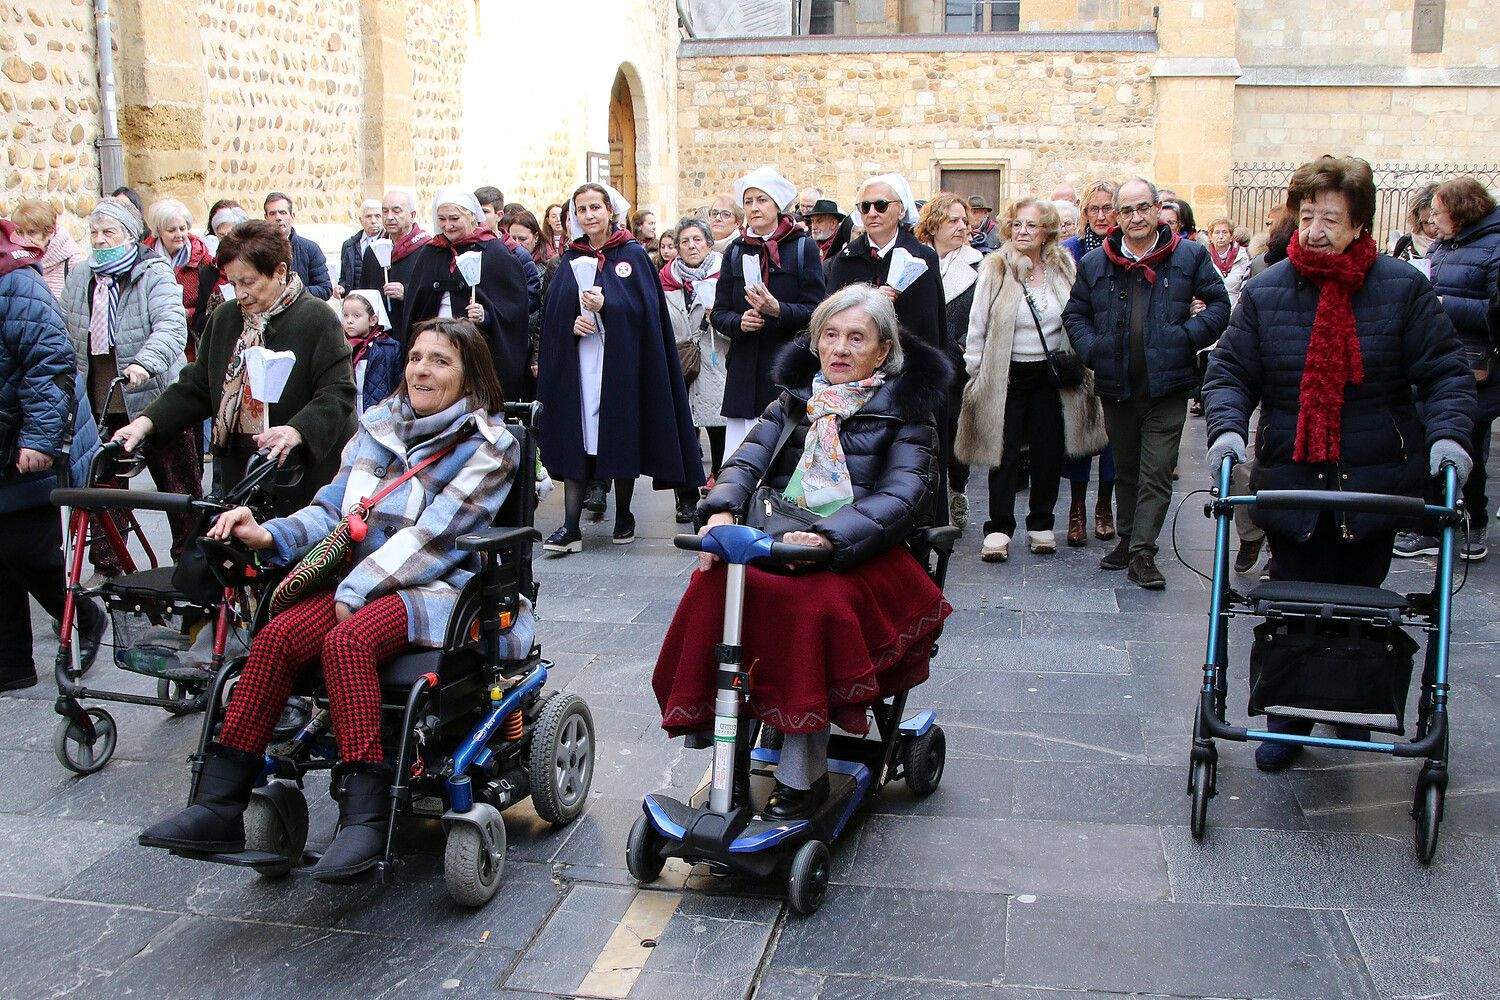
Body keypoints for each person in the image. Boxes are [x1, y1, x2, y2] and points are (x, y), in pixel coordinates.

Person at [139, 318, 530, 880]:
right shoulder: (377, 427)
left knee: (346, 644)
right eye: (416, 357)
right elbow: (332, 512)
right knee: (275, 638)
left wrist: (356, 587)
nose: (421, 369)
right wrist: (268, 534)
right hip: (357, 579)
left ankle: (364, 821)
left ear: (471, 378)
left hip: (435, 588)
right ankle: (219, 803)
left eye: (441, 361)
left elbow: (436, 539)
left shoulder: (491, 448)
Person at [1203, 154, 1475, 771]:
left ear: (1359, 225)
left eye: (1331, 217)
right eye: (1308, 216)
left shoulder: (1402, 288)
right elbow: (1232, 371)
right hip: (1291, 480)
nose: (1317, 229)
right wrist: (1226, 428)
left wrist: (1449, 437)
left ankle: (1348, 701)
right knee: (1293, 601)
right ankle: (1288, 717)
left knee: (1357, 600)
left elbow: (1445, 373)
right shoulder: (1269, 288)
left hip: (1374, 483)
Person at [652, 285, 953, 819]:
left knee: (808, 607)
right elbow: (745, 463)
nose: (839, 348)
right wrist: (720, 511)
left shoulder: (909, 409)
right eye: (830, 335)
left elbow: (904, 495)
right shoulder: (794, 399)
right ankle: (726, 755)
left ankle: (802, 777)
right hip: (778, 538)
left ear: (883, 350)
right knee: (714, 585)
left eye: (856, 337)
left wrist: (830, 538)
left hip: (860, 551)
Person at [113, 220, 356, 515]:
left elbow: (337, 393)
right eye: (233, 283)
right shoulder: (226, 318)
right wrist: (144, 423)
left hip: (298, 472)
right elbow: (197, 387)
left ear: (280, 272)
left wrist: (296, 431)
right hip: (240, 470)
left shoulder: (317, 318)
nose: (240, 293)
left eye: (249, 282)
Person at [1062, 177, 1231, 589]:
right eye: (1126, 210)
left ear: (1157, 208)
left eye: (1143, 208)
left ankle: (1143, 551)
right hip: (1117, 384)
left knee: (1155, 469)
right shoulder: (1096, 263)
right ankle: (1127, 539)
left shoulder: (1188, 256)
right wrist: (1093, 350)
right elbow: (1074, 315)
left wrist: (1185, 337)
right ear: (1116, 217)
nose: (1135, 217)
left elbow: (1221, 305)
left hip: (1167, 385)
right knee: (1126, 469)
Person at [536, 182, 704, 552]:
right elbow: (554, 312)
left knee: (618, 431)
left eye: (596, 207)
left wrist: (607, 306)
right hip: (581, 364)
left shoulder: (631, 254)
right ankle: (570, 526)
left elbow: (645, 311)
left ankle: (625, 512)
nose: (589, 215)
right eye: (582, 210)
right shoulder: (569, 258)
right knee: (578, 436)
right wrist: (572, 325)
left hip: (620, 363)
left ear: (609, 211)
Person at [956, 198, 1104, 561]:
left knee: (1048, 452)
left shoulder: (1063, 267)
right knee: (1002, 453)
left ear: (1047, 232)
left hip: (1051, 375)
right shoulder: (995, 267)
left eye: (1031, 226)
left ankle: (1041, 523)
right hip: (1005, 374)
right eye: (1018, 225)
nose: (1023, 232)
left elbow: (1078, 315)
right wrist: (975, 371)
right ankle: (999, 528)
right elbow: (978, 324)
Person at [60, 199, 200, 574]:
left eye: (110, 232)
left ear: (130, 234)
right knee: (104, 490)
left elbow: (172, 327)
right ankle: (108, 567)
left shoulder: (153, 273)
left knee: (178, 490)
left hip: (155, 400)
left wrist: (144, 362)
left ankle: (191, 567)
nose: (100, 241)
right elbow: (67, 330)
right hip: (101, 403)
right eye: (94, 233)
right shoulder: (80, 277)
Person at [0, 219, 104, 691]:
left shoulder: (18, 283)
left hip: (21, 441)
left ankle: (84, 615)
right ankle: (12, 665)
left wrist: (39, 440)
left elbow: (50, 362)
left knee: (30, 552)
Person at [1396, 177, 1500, 562]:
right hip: (1433, 356)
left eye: (1438, 213)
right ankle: (1426, 524)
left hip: (1476, 366)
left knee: (1466, 441)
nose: (1432, 221)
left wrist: (1441, 302)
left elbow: (1494, 312)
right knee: (1423, 439)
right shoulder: (1444, 246)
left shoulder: (1494, 246)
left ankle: (1473, 520)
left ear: (1460, 212)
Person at [712, 166, 828, 458]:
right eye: (748, 201)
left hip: (786, 371)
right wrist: (739, 322)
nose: (754, 207)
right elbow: (719, 312)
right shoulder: (736, 251)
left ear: (777, 205)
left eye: (761, 200)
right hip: (744, 376)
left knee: (781, 458)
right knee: (740, 459)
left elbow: (817, 311)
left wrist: (778, 310)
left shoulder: (803, 248)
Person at [394, 189, 531, 403]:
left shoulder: (495, 253)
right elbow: (416, 304)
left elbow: (513, 310)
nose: (448, 225)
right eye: (442, 219)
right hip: (434, 344)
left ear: (471, 217)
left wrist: (486, 315)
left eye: (454, 218)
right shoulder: (431, 253)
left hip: (476, 349)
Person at [1060, 179, 1121, 544]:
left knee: (1113, 434)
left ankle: (1104, 506)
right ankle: (1077, 509)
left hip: (1116, 353)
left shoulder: (1124, 249)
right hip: (1079, 351)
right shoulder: (1071, 249)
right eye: (1094, 209)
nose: (1101, 215)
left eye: (1107, 208)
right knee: (1079, 432)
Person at [916, 193, 982, 529]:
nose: (961, 227)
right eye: (952, 220)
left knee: (955, 433)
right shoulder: (914, 260)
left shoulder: (980, 265)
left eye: (964, 221)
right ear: (934, 223)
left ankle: (957, 490)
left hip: (958, 364)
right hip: (920, 361)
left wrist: (965, 350)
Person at [661, 217, 725, 522]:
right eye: (684, 241)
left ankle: (720, 485)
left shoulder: (724, 273)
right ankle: (685, 496)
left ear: (709, 243)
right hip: (679, 358)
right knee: (682, 429)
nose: (691, 246)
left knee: (718, 426)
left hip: (716, 358)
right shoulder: (665, 278)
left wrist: (720, 317)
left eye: (697, 240)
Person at [144, 197, 223, 348]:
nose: (179, 234)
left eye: (183, 228)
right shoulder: (145, 258)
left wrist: (189, 314)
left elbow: (212, 302)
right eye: (171, 230)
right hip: (154, 335)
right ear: (158, 231)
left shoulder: (202, 258)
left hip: (191, 339)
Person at [357, 188, 428, 343]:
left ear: (412, 215)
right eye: (385, 211)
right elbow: (365, 292)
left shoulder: (427, 249)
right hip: (380, 337)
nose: (389, 217)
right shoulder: (373, 250)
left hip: (414, 331)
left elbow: (433, 295)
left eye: (396, 211)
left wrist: (406, 292)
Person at [10, 198, 85, 301]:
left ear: (50, 231)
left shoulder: (74, 264)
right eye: (20, 232)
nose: (25, 239)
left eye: (32, 232)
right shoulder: (16, 262)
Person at [263, 192, 331, 300]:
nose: (278, 217)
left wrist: (293, 291)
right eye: (272, 213)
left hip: (302, 313)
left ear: (292, 216)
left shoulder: (310, 249)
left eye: (283, 212)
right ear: (266, 218)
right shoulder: (258, 251)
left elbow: (325, 289)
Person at [342, 289, 400, 413]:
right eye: (345, 315)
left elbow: (398, 384)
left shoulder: (389, 347)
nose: (349, 321)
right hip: (349, 414)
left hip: (379, 412)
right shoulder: (341, 348)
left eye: (356, 315)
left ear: (372, 320)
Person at [336, 199, 384, 298]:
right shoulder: (349, 246)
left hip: (380, 300)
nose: (373, 221)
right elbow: (344, 277)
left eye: (377, 216)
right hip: (356, 301)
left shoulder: (389, 244)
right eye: (368, 216)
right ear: (361, 220)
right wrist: (341, 288)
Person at [1206, 217, 1251, 311]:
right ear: (1210, 237)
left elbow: (1245, 289)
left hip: (1236, 312)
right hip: (1211, 311)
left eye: (1225, 232)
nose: (1221, 236)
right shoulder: (1204, 257)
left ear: (1231, 237)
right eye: (1217, 232)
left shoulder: (1244, 257)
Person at [1391, 185, 1440, 263]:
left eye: (1434, 222)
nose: (1431, 229)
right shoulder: (1406, 242)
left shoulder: (1454, 246)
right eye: (1425, 223)